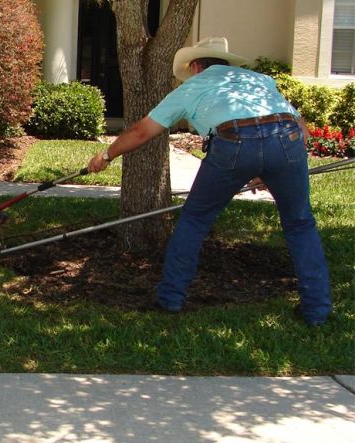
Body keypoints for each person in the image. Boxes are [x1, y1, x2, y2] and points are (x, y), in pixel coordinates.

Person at [86, 37, 332, 326]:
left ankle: (170, 301)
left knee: (195, 220)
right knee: (300, 224)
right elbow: (300, 127)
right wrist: (269, 166)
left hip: (234, 143)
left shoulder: (193, 86)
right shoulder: (259, 80)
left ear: (195, 66)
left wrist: (106, 155)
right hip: (286, 140)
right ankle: (317, 312)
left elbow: (142, 131)